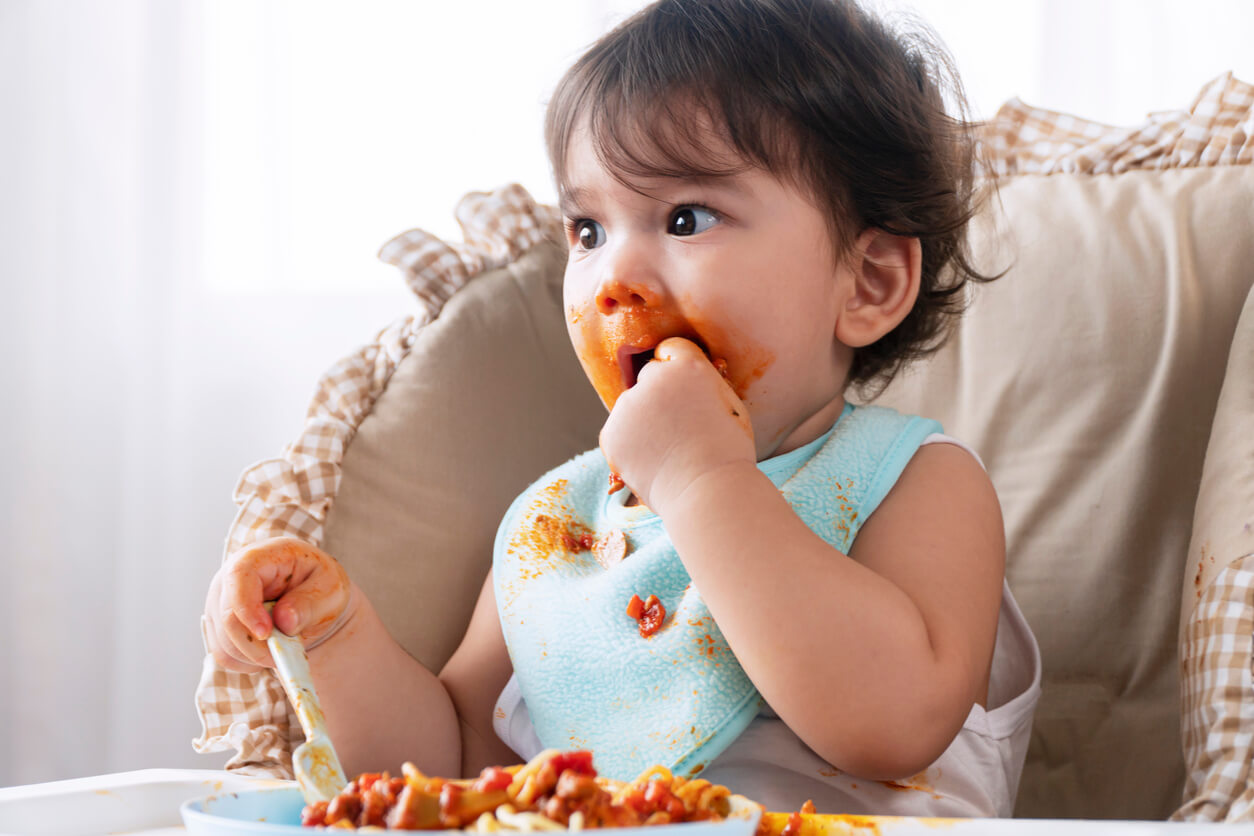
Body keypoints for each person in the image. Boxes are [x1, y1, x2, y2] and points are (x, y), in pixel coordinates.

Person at [198, 0, 1040, 818]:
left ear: (868, 282)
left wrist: (703, 479)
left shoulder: (917, 486)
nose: (613, 281)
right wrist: (335, 639)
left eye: (686, 217)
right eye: (588, 230)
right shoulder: (556, 529)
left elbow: (892, 723)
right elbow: (450, 763)